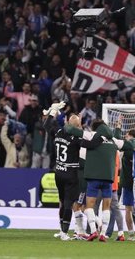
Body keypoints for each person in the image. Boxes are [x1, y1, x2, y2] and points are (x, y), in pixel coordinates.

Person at [44, 102, 81, 241]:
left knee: (61, 201)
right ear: (77, 126)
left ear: (66, 122)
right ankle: (65, 233)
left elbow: (47, 125)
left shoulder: (59, 131)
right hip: (71, 173)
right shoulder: (77, 138)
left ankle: (61, 230)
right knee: (68, 203)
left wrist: (53, 110)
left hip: (58, 172)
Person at [120, 127, 135, 239]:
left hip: (127, 181)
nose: (125, 137)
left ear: (130, 136)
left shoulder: (126, 148)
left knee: (128, 208)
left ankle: (131, 233)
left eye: (127, 135)